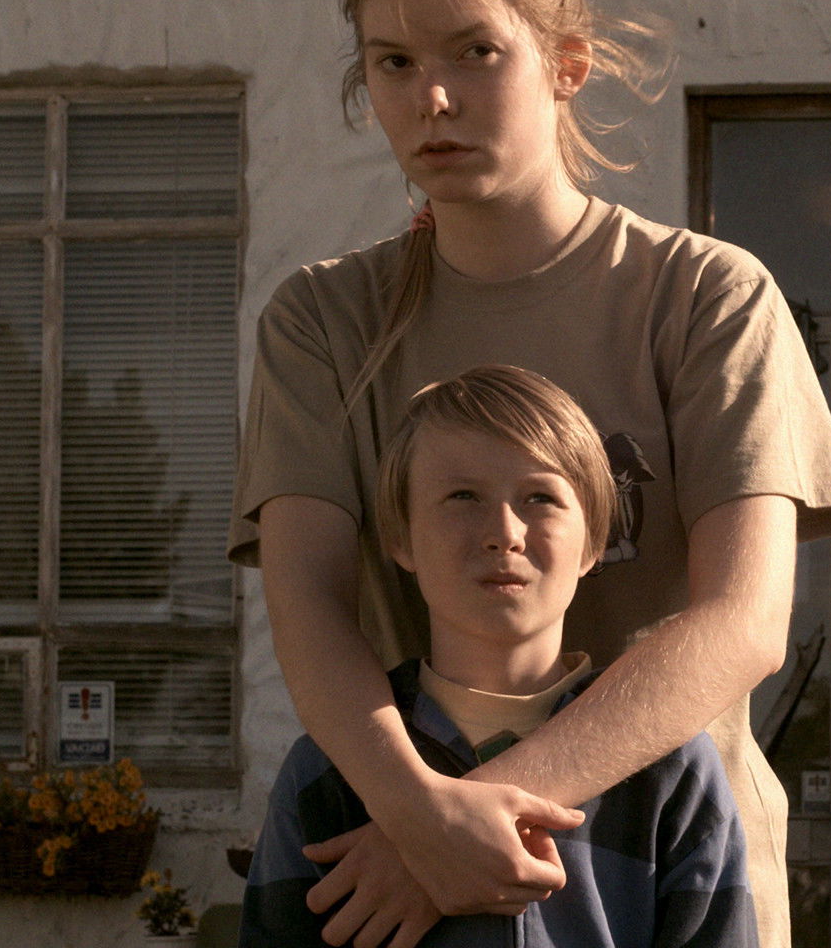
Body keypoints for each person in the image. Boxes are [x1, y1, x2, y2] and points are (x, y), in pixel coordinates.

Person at [231, 0, 831, 948]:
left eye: (475, 51)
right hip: (405, 896)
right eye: (393, 62)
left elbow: (742, 623)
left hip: (669, 880)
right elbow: (306, 607)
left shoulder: (705, 298)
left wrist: (463, 820)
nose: (432, 98)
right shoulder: (323, 321)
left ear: (565, 64)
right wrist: (416, 807)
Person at [243, 365, 757, 947]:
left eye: (540, 498)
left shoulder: (672, 770)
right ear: (401, 538)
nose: (504, 532)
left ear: (594, 542)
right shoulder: (328, 771)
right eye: (463, 496)